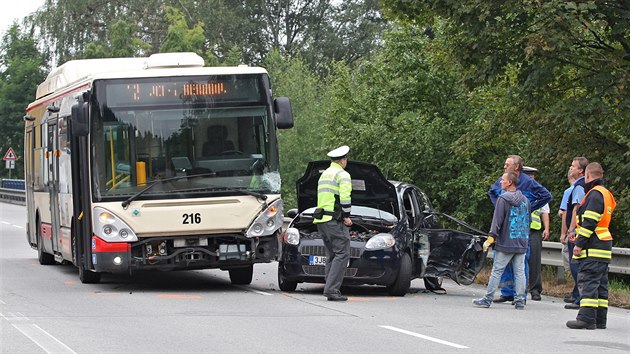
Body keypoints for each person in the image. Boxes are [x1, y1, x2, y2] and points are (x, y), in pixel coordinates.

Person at [487, 155, 552, 303]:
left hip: (520, 228)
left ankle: (519, 294)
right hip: (505, 228)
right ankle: (507, 292)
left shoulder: (528, 182)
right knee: (506, 264)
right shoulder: (502, 180)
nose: (504, 167)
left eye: (507, 164)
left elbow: (546, 196)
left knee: (519, 264)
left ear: (516, 167)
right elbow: (491, 192)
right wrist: (499, 206)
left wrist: (528, 208)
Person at [566, 162, 616, 330]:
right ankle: (600, 320)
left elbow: (589, 222)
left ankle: (586, 319)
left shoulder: (594, 194)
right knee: (600, 285)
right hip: (603, 245)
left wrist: (579, 244)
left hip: (593, 245)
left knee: (588, 282)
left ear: (587, 175)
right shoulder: (606, 193)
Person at [474, 171, 530, 309]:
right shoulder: (525, 200)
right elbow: (527, 220)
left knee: (497, 270)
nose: (500, 182)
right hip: (521, 240)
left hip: (506, 241)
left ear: (510, 182)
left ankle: (487, 299)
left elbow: (497, 219)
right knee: (520, 272)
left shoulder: (503, 199)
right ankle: (520, 300)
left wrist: (492, 236)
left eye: (503, 180)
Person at [312, 145, 353, 301]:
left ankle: (329, 287)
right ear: (343, 160)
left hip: (321, 220)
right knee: (342, 253)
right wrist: (346, 216)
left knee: (332, 254)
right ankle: (332, 290)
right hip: (334, 220)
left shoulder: (325, 174)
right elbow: (344, 197)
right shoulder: (342, 175)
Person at [563, 157, 589, 309]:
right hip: (580, 231)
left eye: (573, 166)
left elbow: (576, 209)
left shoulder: (579, 186)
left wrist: (571, 230)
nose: (570, 168)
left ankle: (580, 296)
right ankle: (577, 294)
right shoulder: (582, 185)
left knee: (575, 265)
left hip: (577, 232)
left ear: (580, 170)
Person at [522, 166, 550, 301]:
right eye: (529, 175)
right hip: (520, 229)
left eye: (532, 176)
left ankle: (535, 289)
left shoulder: (539, 191)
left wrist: (546, 228)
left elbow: (545, 211)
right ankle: (519, 289)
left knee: (534, 260)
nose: (531, 178)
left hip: (534, 230)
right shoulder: (518, 190)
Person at [559, 170, 576, 272]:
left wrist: (563, 233)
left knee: (566, 252)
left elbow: (565, 213)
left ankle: (569, 273)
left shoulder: (568, 191)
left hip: (571, 230)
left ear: (569, 179)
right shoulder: (587, 189)